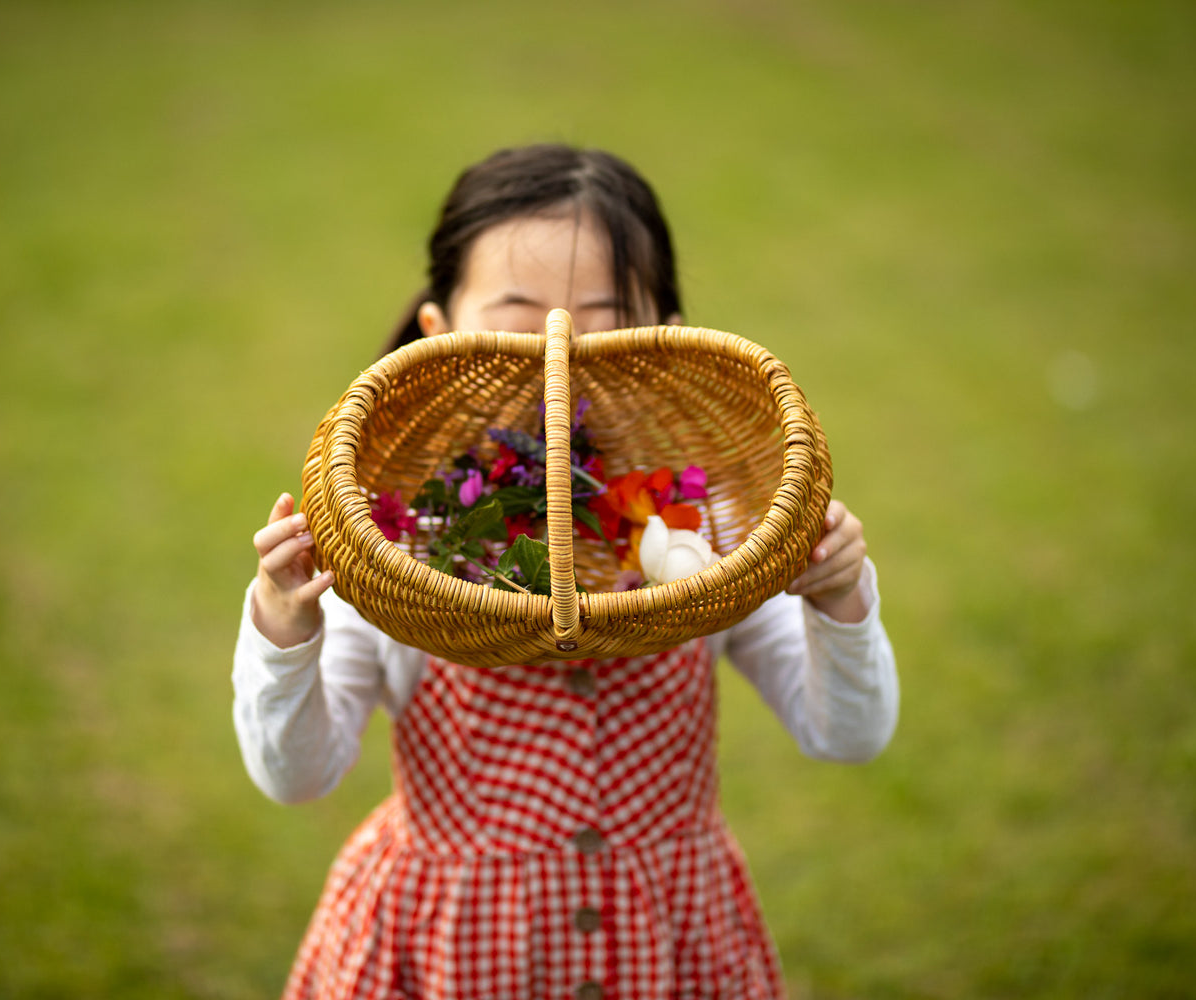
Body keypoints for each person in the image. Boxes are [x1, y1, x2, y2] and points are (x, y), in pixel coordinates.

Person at [233, 144, 898, 1000]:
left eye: (604, 313)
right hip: (454, 949)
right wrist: (285, 634)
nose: (564, 350)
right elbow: (297, 776)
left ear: (666, 333)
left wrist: (840, 599)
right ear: (442, 333)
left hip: (667, 944)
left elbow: (849, 734)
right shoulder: (400, 542)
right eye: (520, 313)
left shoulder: (707, 528)